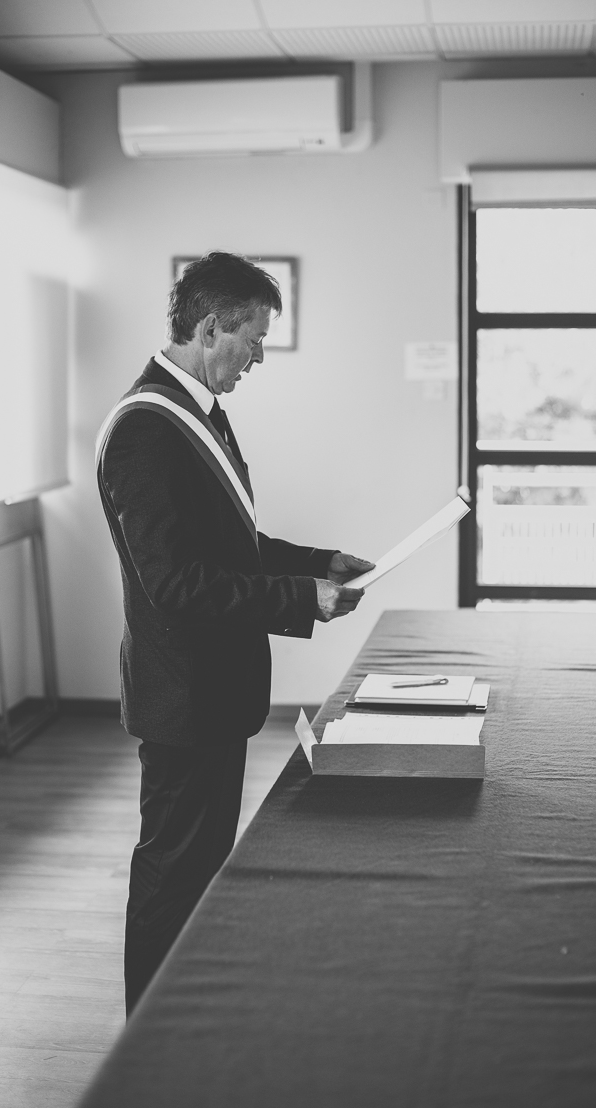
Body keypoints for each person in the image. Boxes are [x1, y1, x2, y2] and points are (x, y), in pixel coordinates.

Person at [96, 251, 374, 1014]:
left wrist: (319, 563)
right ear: (212, 324)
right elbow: (174, 584)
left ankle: (179, 1012)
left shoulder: (195, 413)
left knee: (199, 863)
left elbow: (226, 547)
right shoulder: (145, 430)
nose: (256, 358)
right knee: (172, 870)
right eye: (252, 339)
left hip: (212, 688)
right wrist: (297, 599)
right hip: (183, 693)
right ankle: (147, 1034)